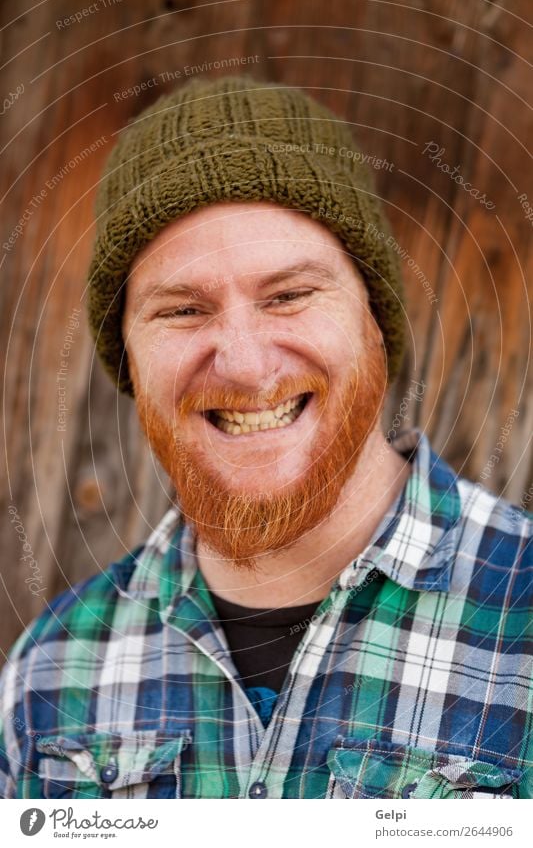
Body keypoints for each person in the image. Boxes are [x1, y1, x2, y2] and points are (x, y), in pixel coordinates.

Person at [1, 76, 531, 800]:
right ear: (126, 355)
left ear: (372, 318)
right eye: (182, 309)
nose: (245, 364)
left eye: (288, 295)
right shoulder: (51, 674)